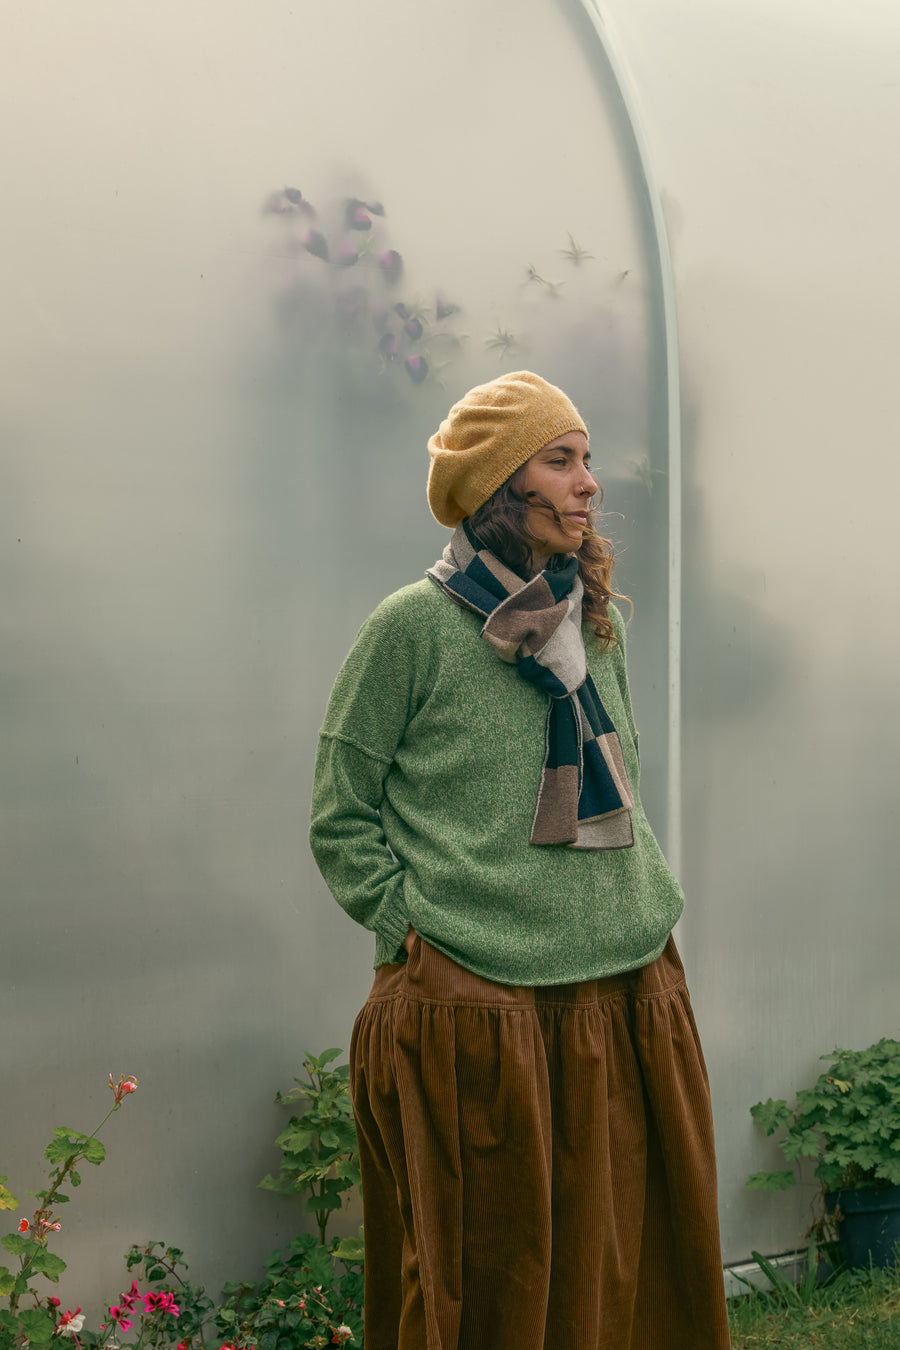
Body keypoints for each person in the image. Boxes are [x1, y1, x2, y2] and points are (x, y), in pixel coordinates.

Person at [309, 371, 731, 1350]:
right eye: (562, 459)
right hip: (477, 996)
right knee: (488, 1290)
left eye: (587, 458)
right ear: (499, 486)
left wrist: (626, 909)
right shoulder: (411, 630)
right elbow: (341, 812)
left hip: (626, 982)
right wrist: (412, 933)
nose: (590, 482)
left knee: (639, 1275)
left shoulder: (594, 619)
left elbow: (619, 787)